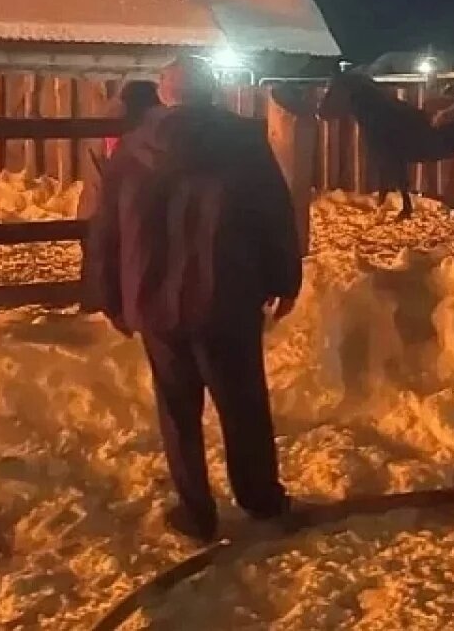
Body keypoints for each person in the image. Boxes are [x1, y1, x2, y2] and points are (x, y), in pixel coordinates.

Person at [85, 54, 302, 542]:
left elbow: (106, 229)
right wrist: (284, 279)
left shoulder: (132, 147)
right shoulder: (243, 142)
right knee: (243, 403)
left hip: (153, 299)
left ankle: (196, 511)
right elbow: (273, 214)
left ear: (165, 93)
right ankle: (260, 499)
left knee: (177, 411)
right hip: (228, 296)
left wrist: (110, 295)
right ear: (213, 90)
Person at [78, 80, 164, 312]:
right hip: (115, 209)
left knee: (100, 266)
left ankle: (96, 308)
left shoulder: (110, 119)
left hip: (98, 209)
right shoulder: (130, 129)